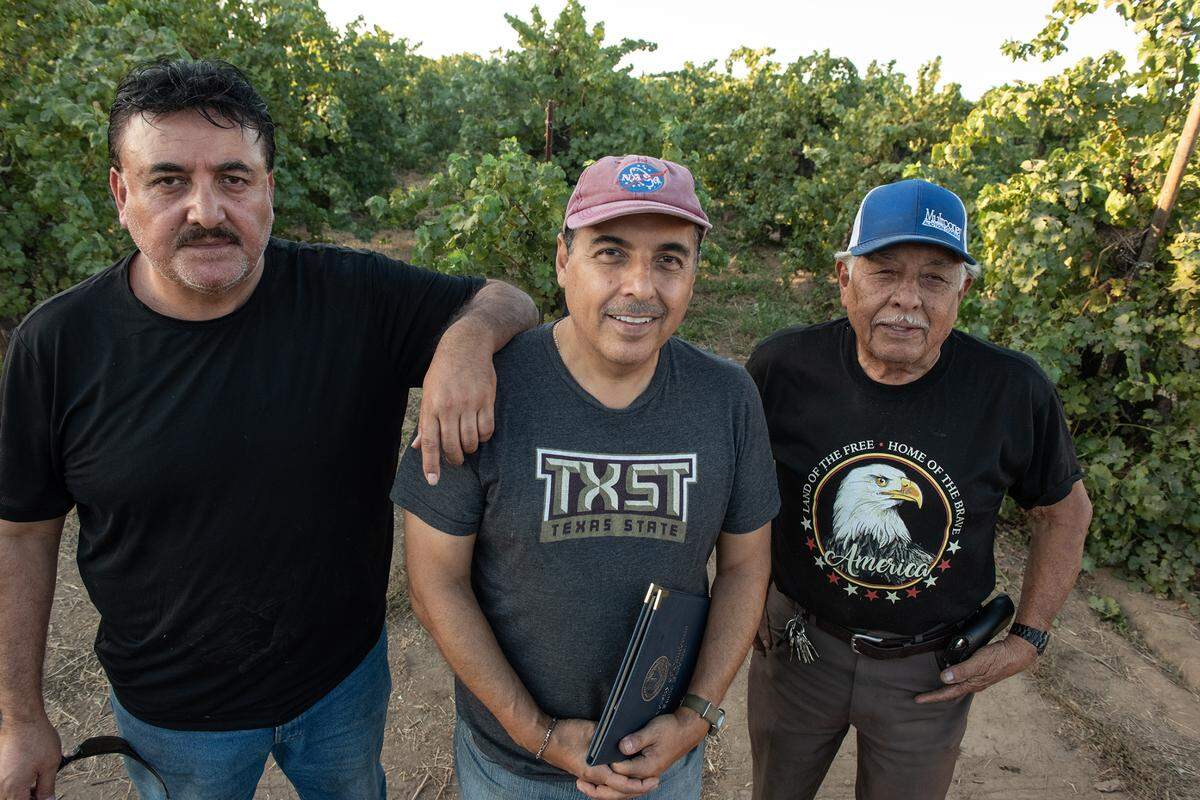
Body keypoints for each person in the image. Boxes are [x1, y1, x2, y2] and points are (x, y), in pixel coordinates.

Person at [0, 59, 538, 800]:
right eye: (168, 181)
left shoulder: (352, 298)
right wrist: (19, 717)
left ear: (269, 191)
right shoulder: (58, 344)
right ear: (122, 194)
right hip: (173, 716)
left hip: (342, 682)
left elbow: (506, 299)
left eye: (234, 178)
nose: (206, 211)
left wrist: (466, 341)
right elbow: (22, 533)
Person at [393, 154, 781, 800]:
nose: (640, 286)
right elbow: (435, 582)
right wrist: (538, 733)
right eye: (610, 253)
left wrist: (695, 717)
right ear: (562, 260)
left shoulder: (726, 397)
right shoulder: (482, 391)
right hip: (512, 769)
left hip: (661, 763)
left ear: (694, 272)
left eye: (669, 259)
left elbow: (744, 568)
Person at [745, 178, 1093, 800]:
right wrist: (743, 597)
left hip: (931, 672)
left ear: (963, 290)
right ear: (845, 278)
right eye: (884, 271)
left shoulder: (1011, 390)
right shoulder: (783, 368)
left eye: (934, 278)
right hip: (798, 648)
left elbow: (1063, 512)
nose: (907, 299)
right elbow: (736, 488)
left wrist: (1031, 635)